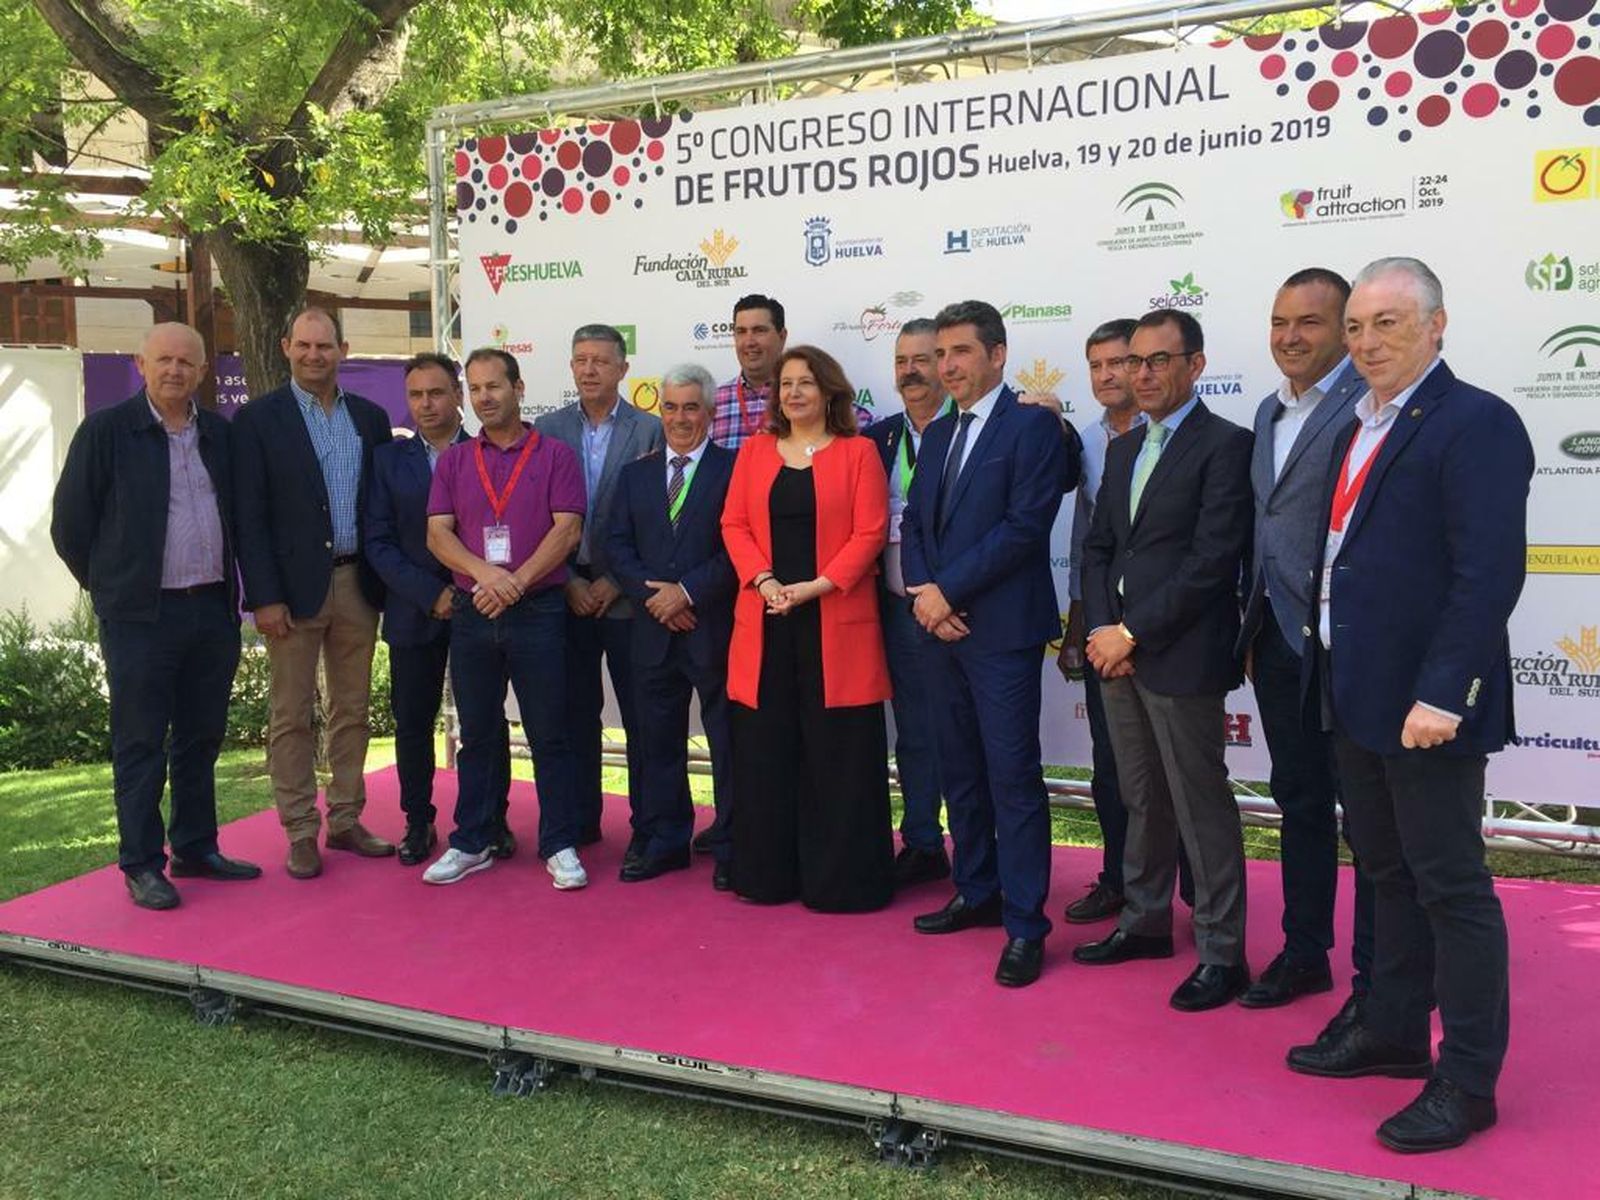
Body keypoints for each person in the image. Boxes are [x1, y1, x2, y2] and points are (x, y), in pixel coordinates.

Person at [1286, 258, 1532, 1154]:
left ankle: (1466, 1081)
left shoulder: (1477, 423)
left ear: (1437, 325)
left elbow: (1488, 574)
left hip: (1426, 705)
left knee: (1451, 887)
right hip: (1355, 691)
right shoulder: (1358, 422)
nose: (1366, 342)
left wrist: (1446, 692)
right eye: (1355, 326)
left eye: (1388, 323)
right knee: (1386, 875)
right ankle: (1391, 1030)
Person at [1074, 309, 1255, 1013]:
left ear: (1195, 365)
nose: (1140, 374)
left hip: (1181, 657)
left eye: (1157, 360)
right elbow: (1097, 549)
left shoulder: (1225, 446)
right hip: (1115, 653)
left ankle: (1221, 952)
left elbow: (1213, 563)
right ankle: (1145, 921)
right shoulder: (1121, 449)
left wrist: (1134, 633)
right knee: (1140, 796)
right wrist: (1103, 630)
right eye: (1133, 361)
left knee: (1197, 803)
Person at [50, 321, 260, 909]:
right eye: (163, 360)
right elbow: (70, 526)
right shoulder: (107, 432)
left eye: (186, 362)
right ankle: (141, 863)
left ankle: (195, 847)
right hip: (141, 617)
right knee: (140, 741)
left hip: (210, 611)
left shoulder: (219, 435)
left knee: (200, 737)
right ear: (141, 365)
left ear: (201, 372)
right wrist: (112, 588)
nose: (174, 370)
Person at [902, 300, 1073, 989]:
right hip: (941, 630)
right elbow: (912, 523)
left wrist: (948, 592)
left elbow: (1025, 526)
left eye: (961, 353)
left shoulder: (1032, 427)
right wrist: (925, 594)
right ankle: (976, 890)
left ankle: (1026, 923)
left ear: (997, 355)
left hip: (999, 632)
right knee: (960, 769)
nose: (947, 366)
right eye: (940, 354)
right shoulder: (938, 435)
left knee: (1011, 776)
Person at [1236, 270, 1376, 1015]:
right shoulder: (1267, 410)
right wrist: (1255, 621)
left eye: (1311, 323)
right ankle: (1304, 952)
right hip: (1282, 642)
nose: (1290, 336)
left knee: (1371, 817)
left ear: (1347, 329)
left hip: (1349, 645)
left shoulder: (1373, 406)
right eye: (1279, 320)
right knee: (1300, 800)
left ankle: (1377, 979)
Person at [720, 344, 894, 911]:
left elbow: (870, 534)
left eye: (805, 383)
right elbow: (734, 523)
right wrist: (766, 581)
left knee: (837, 756)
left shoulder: (859, 453)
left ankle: (842, 882)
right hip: (767, 619)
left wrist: (816, 587)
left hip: (834, 619)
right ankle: (767, 874)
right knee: (766, 751)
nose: (793, 393)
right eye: (785, 384)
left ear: (829, 393)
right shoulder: (754, 452)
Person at [232, 307, 394, 879]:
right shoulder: (257, 421)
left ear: (343, 351)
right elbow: (248, 517)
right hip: (291, 593)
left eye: (324, 346)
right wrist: (264, 596)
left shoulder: (371, 418)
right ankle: (300, 830)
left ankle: (346, 819)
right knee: (291, 714)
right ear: (285, 346)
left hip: (357, 581)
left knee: (352, 710)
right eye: (303, 345)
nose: (313, 356)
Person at [423, 349, 587, 889]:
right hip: (475, 611)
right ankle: (474, 839)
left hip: (538, 609)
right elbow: (438, 534)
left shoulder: (556, 455)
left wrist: (515, 581)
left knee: (549, 731)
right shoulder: (453, 460)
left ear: (518, 387)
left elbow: (567, 531)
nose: (484, 397)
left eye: (494, 386)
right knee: (478, 731)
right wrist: (486, 576)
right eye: (475, 388)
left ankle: (559, 842)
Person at [1058, 318, 1195, 924]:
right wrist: (1086, 627)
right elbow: (1092, 544)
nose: (1112, 375)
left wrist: (1137, 629)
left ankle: (1193, 896)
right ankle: (1119, 881)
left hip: (1168, 632)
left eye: (1122, 362)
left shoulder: (1177, 436)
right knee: (1113, 768)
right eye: (1097, 365)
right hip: (1101, 631)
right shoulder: (1083, 440)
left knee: (1180, 775)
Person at [364, 353, 512, 867]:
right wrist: (431, 593)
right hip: (413, 611)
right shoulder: (388, 460)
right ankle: (417, 820)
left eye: (437, 393)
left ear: (458, 396)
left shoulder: (491, 452)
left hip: (481, 607)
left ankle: (492, 819)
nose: (426, 405)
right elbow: (378, 542)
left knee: (484, 722)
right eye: (415, 395)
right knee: (412, 722)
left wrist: (468, 588)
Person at [606, 364, 737, 889]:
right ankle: (665, 842)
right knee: (657, 741)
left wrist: (687, 593)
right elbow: (617, 545)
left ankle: (731, 843)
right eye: (670, 407)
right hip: (653, 630)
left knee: (729, 744)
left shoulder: (735, 469)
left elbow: (738, 549)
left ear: (708, 412)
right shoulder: (636, 475)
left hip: (713, 627)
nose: (680, 418)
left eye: (690, 407)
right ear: (659, 411)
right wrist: (655, 597)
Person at [536, 325, 664, 856]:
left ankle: (648, 827)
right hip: (563, 595)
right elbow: (533, 517)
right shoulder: (545, 430)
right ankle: (581, 821)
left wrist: (615, 581)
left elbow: (659, 519)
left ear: (622, 369)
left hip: (627, 597)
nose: (589, 370)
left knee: (641, 718)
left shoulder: (651, 430)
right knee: (573, 714)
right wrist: (567, 581)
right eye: (580, 360)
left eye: (600, 361)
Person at [864, 319, 952, 888]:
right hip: (893, 610)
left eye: (924, 359)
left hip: (957, 609)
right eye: (902, 361)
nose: (911, 371)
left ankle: (975, 845)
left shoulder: (972, 431)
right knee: (914, 731)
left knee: (960, 731)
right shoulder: (879, 439)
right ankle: (922, 840)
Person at [712, 294, 787, 451]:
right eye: (741, 332)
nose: (749, 342)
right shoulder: (712, 403)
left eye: (759, 331)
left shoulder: (808, 399)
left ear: (782, 336)